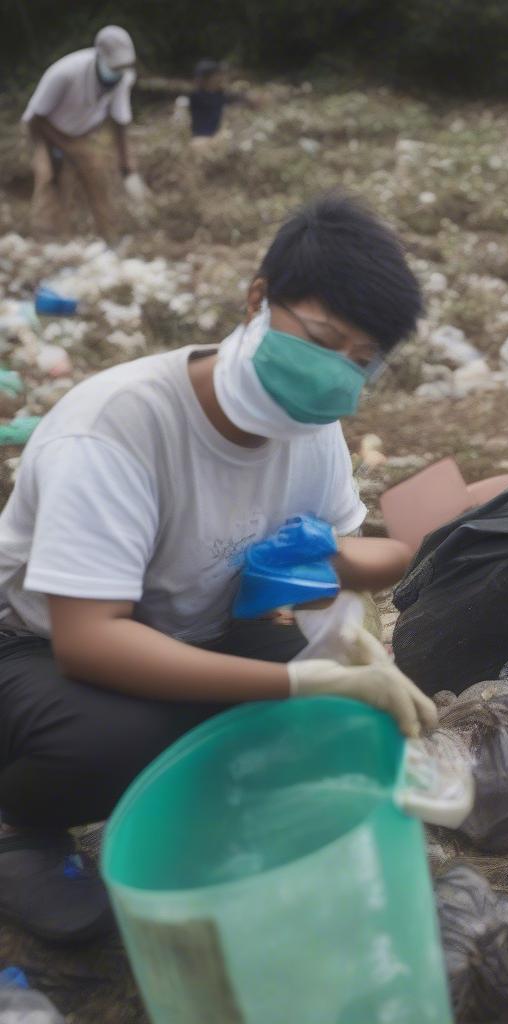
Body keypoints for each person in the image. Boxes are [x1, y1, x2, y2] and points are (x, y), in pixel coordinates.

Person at [0, 193, 436, 943]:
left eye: (361, 361)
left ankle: (209, 811)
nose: (335, 374)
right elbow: (89, 640)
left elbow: (341, 551)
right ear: (258, 300)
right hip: (36, 646)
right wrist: (298, 677)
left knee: (336, 721)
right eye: (323, 338)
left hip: (198, 627)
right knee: (121, 737)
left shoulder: (312, 428)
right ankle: (18, 822)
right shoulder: (118, 427)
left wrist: (348, 638)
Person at [21, 26, 146, 243]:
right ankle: (48, 242)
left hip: (81, 133)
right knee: (50, 179)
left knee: (98, 176)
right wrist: (58, 151)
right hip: (46, 130)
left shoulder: (122, 77)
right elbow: (36, 118)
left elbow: (120, 121)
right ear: (99, 55)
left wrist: (128, 167)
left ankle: (110, 239)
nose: (117, 72)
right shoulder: (65, 73)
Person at [188, 59, 251, 140]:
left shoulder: (218, 94)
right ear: (208, 78)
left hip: (215, 136)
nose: (221, 78)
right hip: (202, 138)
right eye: (217, 75)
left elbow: (235, 99)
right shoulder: (197, 97)